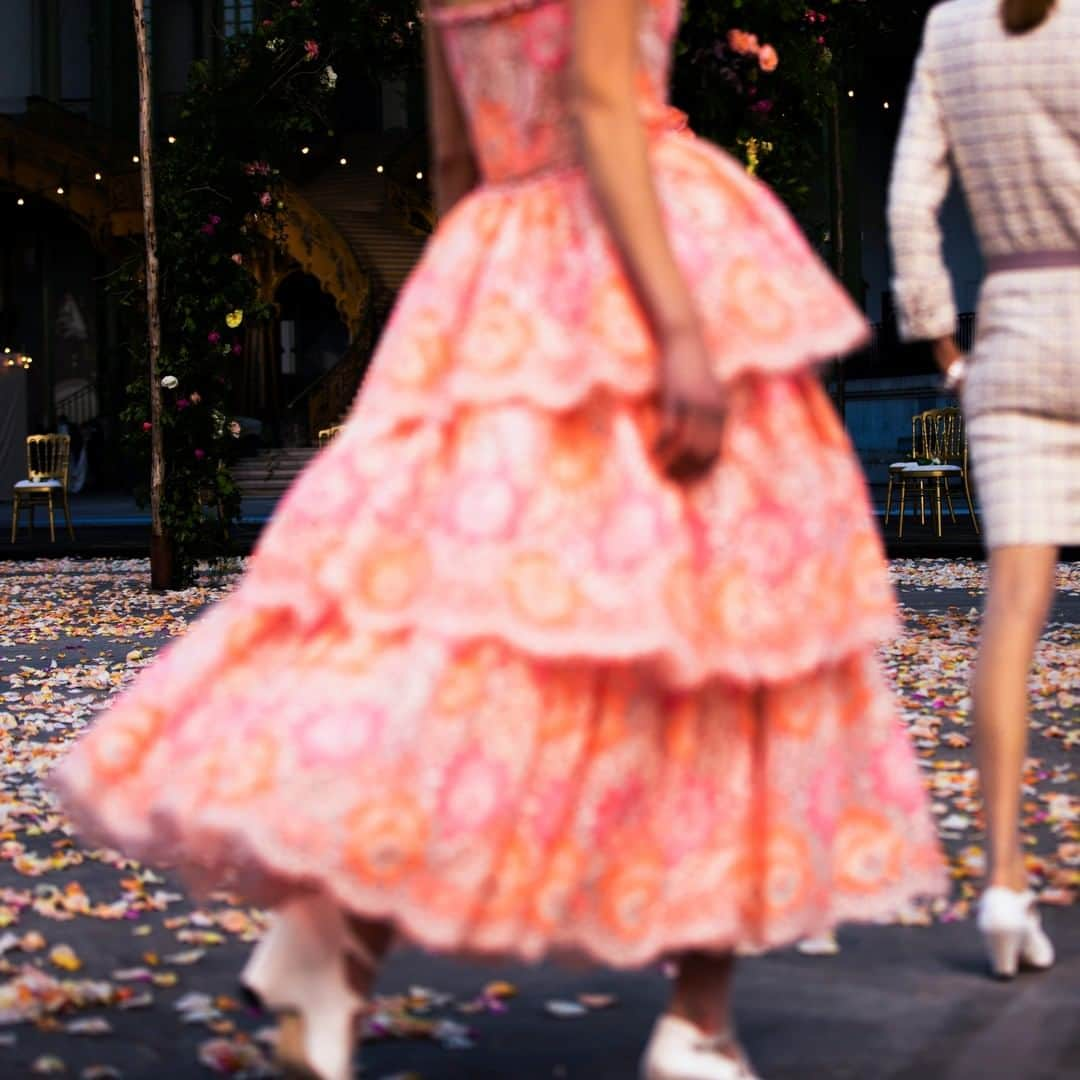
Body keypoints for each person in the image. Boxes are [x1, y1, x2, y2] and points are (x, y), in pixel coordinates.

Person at [54, 2, 945, 1078]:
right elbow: (606, 104)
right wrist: (676, 330)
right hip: (639, 243)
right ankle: (696, 1019)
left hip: (500, 258)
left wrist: (484, 304)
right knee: (727, 625)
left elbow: (451, 157)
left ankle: (332, 943)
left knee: (474, 633)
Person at [888, 0, 1077, 979]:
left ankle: (1005, 882)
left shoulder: (953, 29)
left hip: (1009, 335)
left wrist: (946, 344)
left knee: (1011, 610)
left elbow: (906, 206)